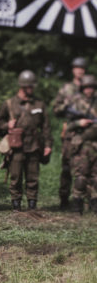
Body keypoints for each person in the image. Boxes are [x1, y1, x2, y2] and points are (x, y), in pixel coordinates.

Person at [0, 70, 52, 211]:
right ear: (22, 86)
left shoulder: (39, 104)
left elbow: (46, 127)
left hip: (34, 145)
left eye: (33, 86)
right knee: (16, 177)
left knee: (33, 177)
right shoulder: (9, 104)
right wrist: (6, 125)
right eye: (29, 86)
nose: (32, 89)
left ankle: (32, 204)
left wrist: (48, 145)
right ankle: (16, 205)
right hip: (16, 146)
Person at [52, 56, 87, 210]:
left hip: (87, 132)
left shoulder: (90, 88)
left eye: (82, 68)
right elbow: (56, 109)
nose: (79, 70)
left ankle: (85, 199)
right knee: (67, 166)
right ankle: (64, 198)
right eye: (77, 68)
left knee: (88, 167)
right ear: (73, 70)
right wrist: (65, 107)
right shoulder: (66, 89)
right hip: (71, 132)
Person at [64, 73, 97, 215]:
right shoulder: (76, 103)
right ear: (82, 88)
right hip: (82, 145)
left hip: (95, 144)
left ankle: (94, 205)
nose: (89, 90)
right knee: (81, 177)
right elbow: (69, 126)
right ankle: (77, 206)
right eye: (86, 87)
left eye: (91, 87)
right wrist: (80, 122)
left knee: (95, 176)